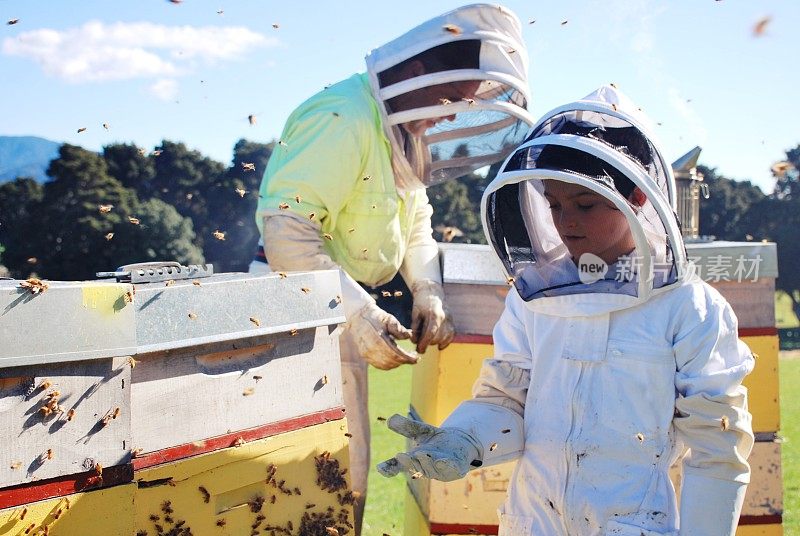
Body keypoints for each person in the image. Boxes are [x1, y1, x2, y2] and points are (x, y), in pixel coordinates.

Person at [378, 85, 754, 536]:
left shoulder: (686, 307)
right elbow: (507, 400)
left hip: (632, 523)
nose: (565, 221)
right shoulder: (534, 297)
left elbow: (718, 443)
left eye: (585, 204)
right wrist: (465, 438)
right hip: (533, 520)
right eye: (553, 204)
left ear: (637, 198)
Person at [249, 5, 534, 533]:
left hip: (335, 312)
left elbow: (417, 227)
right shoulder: (341, 116)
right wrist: (359, 313)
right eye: (451, 98)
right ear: (414, 72)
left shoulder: (402, 132)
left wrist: (428, 291)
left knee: (346, 479)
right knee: (313, 483)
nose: (451, 115)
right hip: (292, 318)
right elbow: (287, 233)